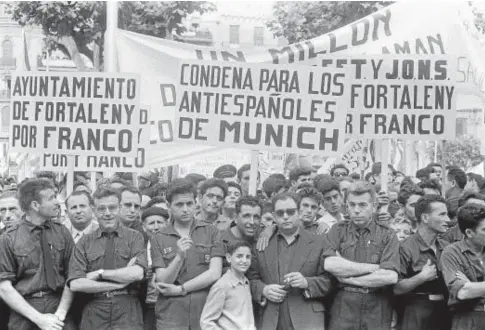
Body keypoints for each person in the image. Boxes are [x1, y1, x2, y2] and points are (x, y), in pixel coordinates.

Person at [247, 192, 332, 330]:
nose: (285, 216)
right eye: (280, 213)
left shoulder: (319, 242)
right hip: (271, 319)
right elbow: (250, 279)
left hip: (307, 319)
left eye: (290, 212)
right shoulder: (261, 244)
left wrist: (307, 282)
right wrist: (264, 290)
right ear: (274, 217)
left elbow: (329, 280)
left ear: (298, 213)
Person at [322, 180, 400, 330]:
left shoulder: (387, 234)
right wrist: (375, 268)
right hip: (344, 307)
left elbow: (390, 276)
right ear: (346, 206)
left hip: (377, 306)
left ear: (374, 206)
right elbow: (330, 264)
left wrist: (348, 279)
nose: (356, 210)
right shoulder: (337, 230)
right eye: (352, 205)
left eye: (363, 205)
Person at [0, 178, 76, 330]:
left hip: (60, 307)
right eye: (51, 198)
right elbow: (4, 287)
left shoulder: (62, 232)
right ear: (35, 205)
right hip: (24, 312)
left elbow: (73, 275)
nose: (57, 202)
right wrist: (39, 319)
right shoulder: (8, 239)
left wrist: (60, 314)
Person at [68, 186, 147, 330]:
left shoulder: (134, 237)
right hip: (94, 309)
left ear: (120, 207)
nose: (108, 213)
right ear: (93, 210)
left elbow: (137, 273)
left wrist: (99, 274)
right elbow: (76, 284)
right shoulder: (84, 242)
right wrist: (118, 283)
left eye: (112, 208)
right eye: (101, 209)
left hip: (127, 309)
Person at [150, 178, 224, 330]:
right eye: (179, 204)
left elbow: (215, 273)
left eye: (189, 203)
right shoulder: (158, 238)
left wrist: (181, 289)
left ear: (196, 203)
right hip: (172, 316)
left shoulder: (211, 231)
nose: (185, 209)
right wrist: (178, 257)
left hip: (205, 312)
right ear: (169, 207)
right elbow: (163, 281)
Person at [394, 195, 452, 330]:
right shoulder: (405, 248)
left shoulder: (446, 247)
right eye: (442, 214)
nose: (447, 220)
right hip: (415, 314)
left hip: (445, 312)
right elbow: (395, 288)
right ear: (425, 218)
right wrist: (421, 277)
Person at [440, 203, 485, 329]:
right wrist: (469, 288)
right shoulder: (451, 252)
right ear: (469, 233)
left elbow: (469, 289)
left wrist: (473, 286)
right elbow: (463, 292)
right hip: (468, 319)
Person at [200, 241, 255, 330]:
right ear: (229, 258)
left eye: (248, 257)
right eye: (239, 256)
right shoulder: (222, 286)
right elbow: (206, 322)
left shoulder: (246, 282)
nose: (244, 260)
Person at [141, 207, 169, 330]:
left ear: (167, 224)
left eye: (160, 222)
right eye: (152, 223)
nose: (156, 227)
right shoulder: (138, 245)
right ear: (144, 226)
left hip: (169, 302)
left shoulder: (175, 247)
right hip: (146, 304)